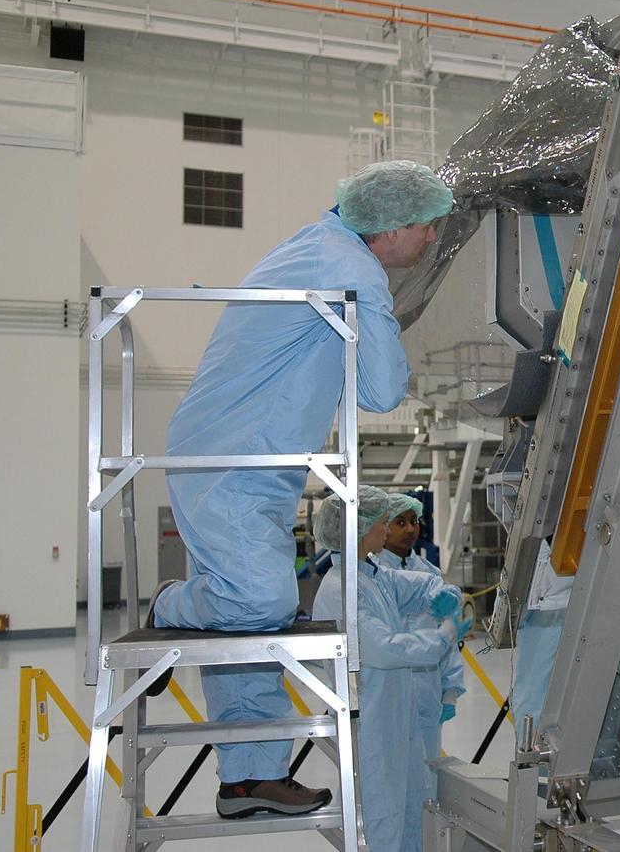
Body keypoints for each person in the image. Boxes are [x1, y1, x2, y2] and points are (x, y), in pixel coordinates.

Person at [148, 161, 454, 818]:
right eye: (427, 228)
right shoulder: (346, 261)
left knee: (251, 625)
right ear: (394, 227)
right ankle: (172, 605)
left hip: (256, 463)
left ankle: (248, 777)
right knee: (260, 597)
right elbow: (380, 389)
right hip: (226, 461)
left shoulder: (320, 245)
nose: (430, 240)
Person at [312, 487, 469, 852]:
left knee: (413, 808)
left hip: (395, 718)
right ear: (359, 529)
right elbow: (382, 648)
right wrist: (443, 638)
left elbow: (420, 584)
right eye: (384, 521)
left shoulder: (371, 575)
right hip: (372, 725)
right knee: (384, 815)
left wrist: (441, 596)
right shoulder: (342, 589)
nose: (387, 529)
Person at [377, 493, 467, 810]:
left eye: (413, 521)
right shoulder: (372, 576)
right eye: (400, 522)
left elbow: (447, 635)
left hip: (427, 693)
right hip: (387, 693)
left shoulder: (430, 574)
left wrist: (450, 692)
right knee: (389, 783)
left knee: (427, 784)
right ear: (381, 527)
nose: (410, 529)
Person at [511, 538, 573, 744]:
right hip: (541, 633)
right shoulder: (534, 548)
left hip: (562, 626)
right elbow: (515, 611)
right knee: (534, 715)